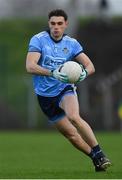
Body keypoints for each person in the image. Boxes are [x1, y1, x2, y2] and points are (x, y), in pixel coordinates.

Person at [26, 9, 111, 172]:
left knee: (74, 117)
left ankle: (99, 153)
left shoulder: (71, 43)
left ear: (66, 24)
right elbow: (30, 66)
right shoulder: (38, 40)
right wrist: (52, 72)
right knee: (71, 134)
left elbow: (90, 66)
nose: (56, 27)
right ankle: (95, 159)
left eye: (59, 23)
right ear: (49, 24)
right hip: (45, 96)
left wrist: (83, 74)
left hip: (64, 88)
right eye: (53, 23)